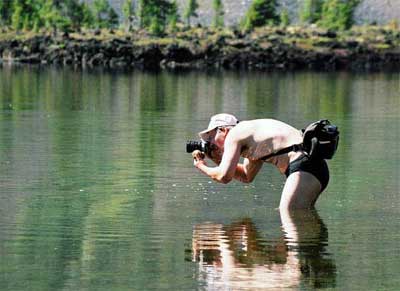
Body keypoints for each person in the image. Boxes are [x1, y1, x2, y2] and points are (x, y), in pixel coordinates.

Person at [192, 113, 330, 210]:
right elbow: (246, 175)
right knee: (302, 220)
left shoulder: (234, 134)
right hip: (314, 167)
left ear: (223, 130)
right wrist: (216, 158)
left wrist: (201, 165)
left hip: (304, 166)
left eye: (210, 139)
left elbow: (224, 176)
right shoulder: (252, 136)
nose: (211, 145)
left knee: (288, 215)